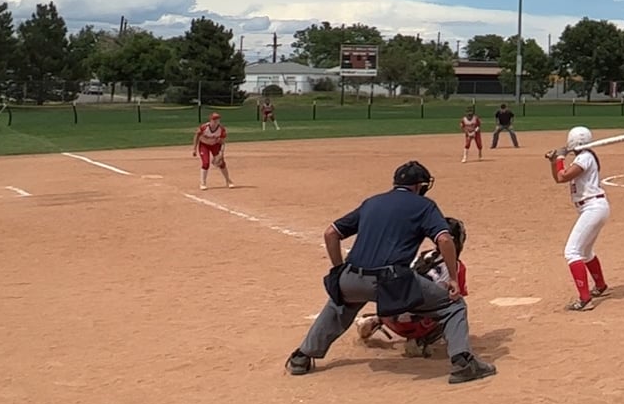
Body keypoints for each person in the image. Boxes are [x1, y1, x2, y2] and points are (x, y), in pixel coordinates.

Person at [285, 161, 494, 384]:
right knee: (453, 305)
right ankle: (463, 363)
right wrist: (452, 277)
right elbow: (444, 239)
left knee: (339, 305)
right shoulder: (424, 206)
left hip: (352, 276)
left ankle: (301, 357)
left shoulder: (372, 202)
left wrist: (339, 269)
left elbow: (331, 233)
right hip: (392, 281)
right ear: (419, 185)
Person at [356, 218, 469, 356]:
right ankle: (420, 341)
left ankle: (376, 320)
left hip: (388, 313)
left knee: (404, 292)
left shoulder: (424, 255)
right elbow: (454, 297)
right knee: (456, 306)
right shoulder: (457, 268)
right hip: (412, 322)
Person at [547, 126, 612, 311]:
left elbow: (564, 176)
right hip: (593, 207)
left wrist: (561, 158)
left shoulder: (585, 157)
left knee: (572, 252)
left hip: (593, 207)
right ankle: (600, 286)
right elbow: (559, 178)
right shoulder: (584, 157)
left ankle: (585, 299)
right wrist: (554, 161)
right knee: (586, 252)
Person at [192, 111, 233, 190]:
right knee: (206, 163)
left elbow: (222, 142)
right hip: (204, 145)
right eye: (214, 120)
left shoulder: (221, 129)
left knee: (221, 163)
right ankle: (203, 183)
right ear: (210, 120)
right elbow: (197, 136)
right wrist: (194, 149)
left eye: (217, 119)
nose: (216, 121)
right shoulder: (204, 127)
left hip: (215, 145)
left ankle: (228, 181)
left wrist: (221, 153)